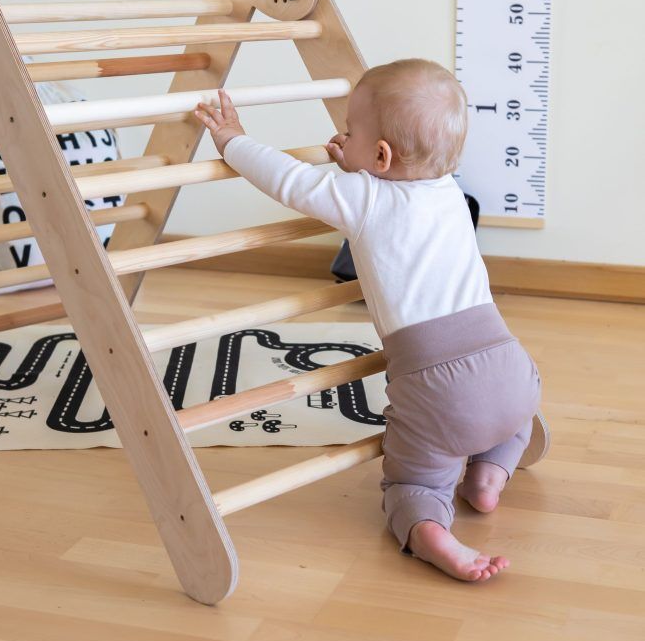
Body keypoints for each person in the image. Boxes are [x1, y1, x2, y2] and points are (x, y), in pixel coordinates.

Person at [195, 59, 545, 582]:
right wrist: (357, 164)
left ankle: (431, 531)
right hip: (510, 366)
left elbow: (289, 180)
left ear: (379, 156)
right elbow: (391, 192)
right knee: (515, 419)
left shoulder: (360, 198)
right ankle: (490, 476)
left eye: (351, 132)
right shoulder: (449, 192)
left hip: (436, 388)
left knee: (414, 483)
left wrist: (232, 139)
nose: (341, 138)